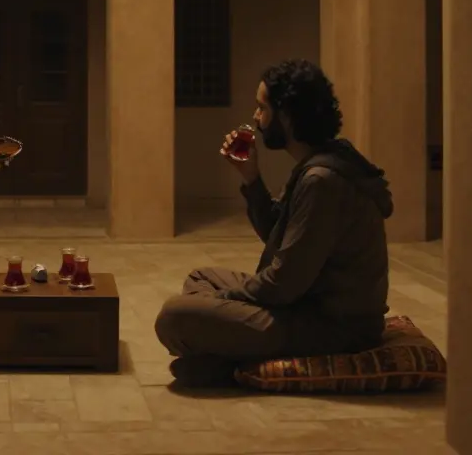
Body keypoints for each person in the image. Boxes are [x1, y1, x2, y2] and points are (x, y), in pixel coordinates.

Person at [154, 59, 394, 386]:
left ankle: (228, 362)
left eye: (262, 108)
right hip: (303, 302)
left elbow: (283, 284)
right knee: (202, 277)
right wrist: (250, 177)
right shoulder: (317, 164)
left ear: (286, 116)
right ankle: (221, 359)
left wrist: (220, 301)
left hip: (332, 325)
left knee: (175, 316)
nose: (255, 117)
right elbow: (276, 235)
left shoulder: (322, 180)